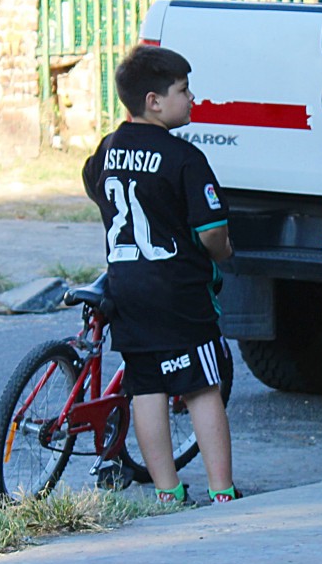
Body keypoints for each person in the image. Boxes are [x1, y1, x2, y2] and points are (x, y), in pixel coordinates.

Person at [82, 44, 240, 503]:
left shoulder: (108, 149)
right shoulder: (182, 157)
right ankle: (222, 490)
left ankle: (168, 494)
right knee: (202, 388)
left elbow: (98, 188)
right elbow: (211, 230)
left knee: (145, 387)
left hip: (126, 288)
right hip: (179, 293)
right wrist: (224, 251)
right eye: (183, 90)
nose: (192, 99)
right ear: (154, 101)